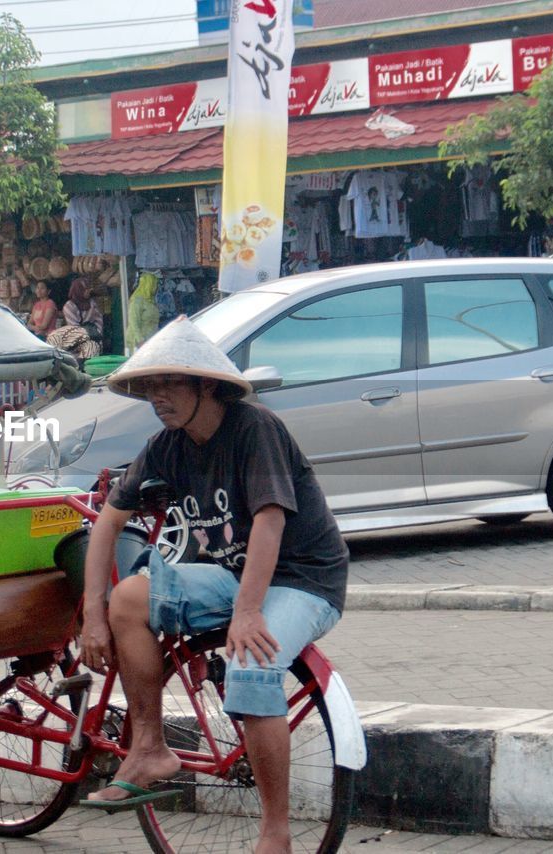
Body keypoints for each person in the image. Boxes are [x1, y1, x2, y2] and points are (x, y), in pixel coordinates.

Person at [78, 317, 348, 854]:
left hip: (304, 579)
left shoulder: (255, 430)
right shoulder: (166, 446)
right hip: (234, 576)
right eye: (150, 387)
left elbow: (270, 520)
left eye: (169, 384)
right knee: (129, 598)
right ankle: (150, 746)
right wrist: (92, 613)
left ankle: (275, 835)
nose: (157, 397)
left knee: (252, 662)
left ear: (206, 385)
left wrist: (249, 614)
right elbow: (108, 521)